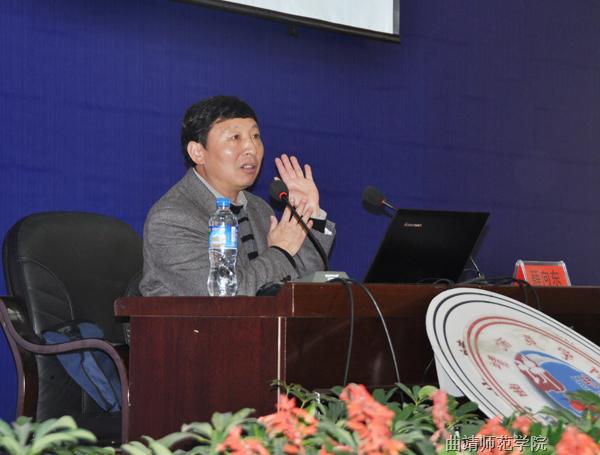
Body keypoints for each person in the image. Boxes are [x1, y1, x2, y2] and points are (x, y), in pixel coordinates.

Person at [140, 95, 336, 296]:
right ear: (198, 152)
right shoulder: (172, 219)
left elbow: (304, 284)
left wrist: (309, 214)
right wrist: (280, 251)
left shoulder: (259, 209)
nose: (251, 148)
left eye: (255, 136)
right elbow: (225, 295)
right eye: (235, 137)